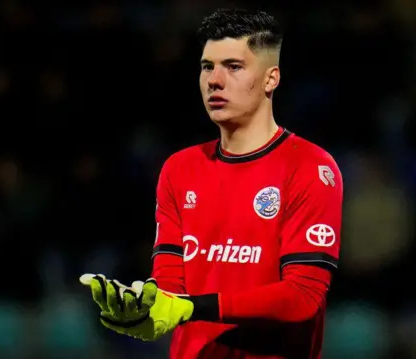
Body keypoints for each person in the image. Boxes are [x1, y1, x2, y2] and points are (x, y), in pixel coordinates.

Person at [80, 8, 344, 359]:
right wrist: (147, 311)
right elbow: (171, 286)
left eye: (233, 67)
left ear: (271, 79)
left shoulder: (310, 167)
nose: (214, 80)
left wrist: (191, 308)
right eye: (207, 66)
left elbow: (302, 298)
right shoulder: (180, 169)